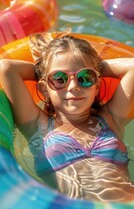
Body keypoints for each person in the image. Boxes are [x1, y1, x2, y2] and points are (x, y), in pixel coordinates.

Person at [0, 32, 134, 202]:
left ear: (98, 85)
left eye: (85, 78)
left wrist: (96, 67)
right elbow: (6, 67)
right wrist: (45, 69)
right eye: (59, 79)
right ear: (43, 89)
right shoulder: (38, 125)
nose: (73, 86)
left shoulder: (111, 119)